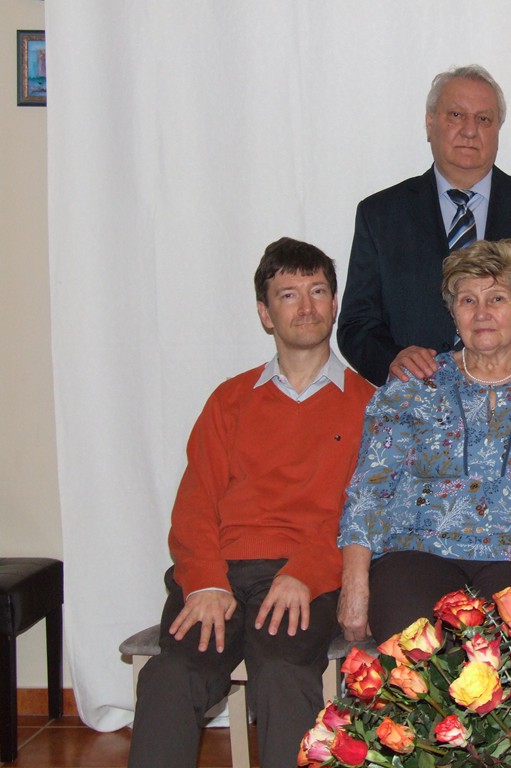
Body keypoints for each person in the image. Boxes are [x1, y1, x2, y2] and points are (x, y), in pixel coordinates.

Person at [128, 238, 375, 768]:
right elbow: (195, 503)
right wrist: (206, 581)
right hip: (219, 573)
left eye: (318, 291)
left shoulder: (369, 405)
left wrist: (305, 573)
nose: (306, 306)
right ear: (265, 314)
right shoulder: (230, 399)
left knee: (283, 673)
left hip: (305, 575)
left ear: (335, 304)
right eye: (288, 294)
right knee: (173, 674)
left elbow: (365, 512)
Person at [337, 239, 511, 643]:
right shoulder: (412, 384)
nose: (482, 312)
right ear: (454, 314)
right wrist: (354, 583)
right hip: (418, 553)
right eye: (468, 300)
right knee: (412, 644)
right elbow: (369, 491)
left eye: (497, 298)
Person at [337, 63, 511, 387]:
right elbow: (357, 324)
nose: (469, 130)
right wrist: (392, 361)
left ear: (498, 129)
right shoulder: (380, 215)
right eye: (456, 115)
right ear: (430, 123)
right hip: (419, 402)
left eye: (483, 119)